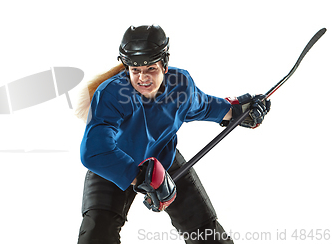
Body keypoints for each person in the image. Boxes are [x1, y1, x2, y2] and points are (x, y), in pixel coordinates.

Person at [75, 25, 271, 244]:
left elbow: (203, 106)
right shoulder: (112, 94)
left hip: (163, 160)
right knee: (96, 236)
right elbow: (95, 150)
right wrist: (142, 178)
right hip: (115, 164)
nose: (142, 78)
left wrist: (237, 112)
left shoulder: (180, 85)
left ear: (164, 64)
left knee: (208, 236)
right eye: (135, 70)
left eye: (151, 69)